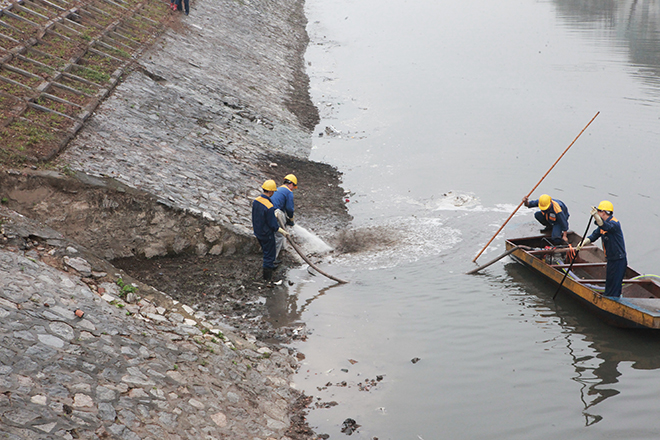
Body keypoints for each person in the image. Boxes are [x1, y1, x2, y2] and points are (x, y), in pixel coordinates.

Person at [577, 200, 627, 298]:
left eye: (599, 212)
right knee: (609, 283)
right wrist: (583, 242)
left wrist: (596, 216)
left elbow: (605, 226)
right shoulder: (603, 225)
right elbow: (594, 235)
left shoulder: (614, 224)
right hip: (611, 259)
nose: (598, 214)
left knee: (615, 286)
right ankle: (607, 298)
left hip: (619, 260)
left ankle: (615, 302)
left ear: (603, 213)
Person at [252, 180, 288, 282]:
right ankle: (267, 278)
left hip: (258, 231)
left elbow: (259, 215)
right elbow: (273, 225)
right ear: (271, 192)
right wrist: (282, 231)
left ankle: (269, 268)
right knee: (269, 255)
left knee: (266, 251)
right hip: (266, 234)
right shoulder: (269, 206)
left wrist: (272, 214)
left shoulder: (256, 200)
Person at [270, 174, 297, 262]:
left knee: (274, 233)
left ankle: (281, 249)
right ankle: (272, 259)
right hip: (276, 213)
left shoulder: (278, 189)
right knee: (279, 236)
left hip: (269, 211)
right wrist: (291, 219)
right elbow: (289, 208)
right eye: (293, 186)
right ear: (291, 184)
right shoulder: (288, 192)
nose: (293, 188)